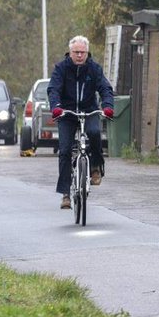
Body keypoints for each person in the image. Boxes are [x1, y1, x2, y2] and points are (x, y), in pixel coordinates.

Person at [47, 35, 114, 209]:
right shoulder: (61, 69)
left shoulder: (94, 69)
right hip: (67, 113)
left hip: (88, 110)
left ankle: (96, 167)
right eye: (76, 52)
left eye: (82, 52)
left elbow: (105, 88)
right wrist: (56, 106)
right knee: (65, 150)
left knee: (94, 133)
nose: (79, 55)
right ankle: (65, 194)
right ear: (70, 52)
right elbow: (53, 89)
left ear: (87, 53)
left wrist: (107, 106)